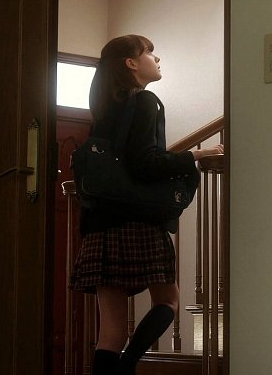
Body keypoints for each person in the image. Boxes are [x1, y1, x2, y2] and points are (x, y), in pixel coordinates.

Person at [69, 35, 224, 375]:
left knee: (110, 331)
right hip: (136, 222)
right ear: (131, 63)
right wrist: (195, 155)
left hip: (99, 225)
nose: (157, 59)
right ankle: (126, 368)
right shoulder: (145, 102)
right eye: (150, 53)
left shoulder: (105, 109)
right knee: (168, 301)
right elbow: (144, 164)